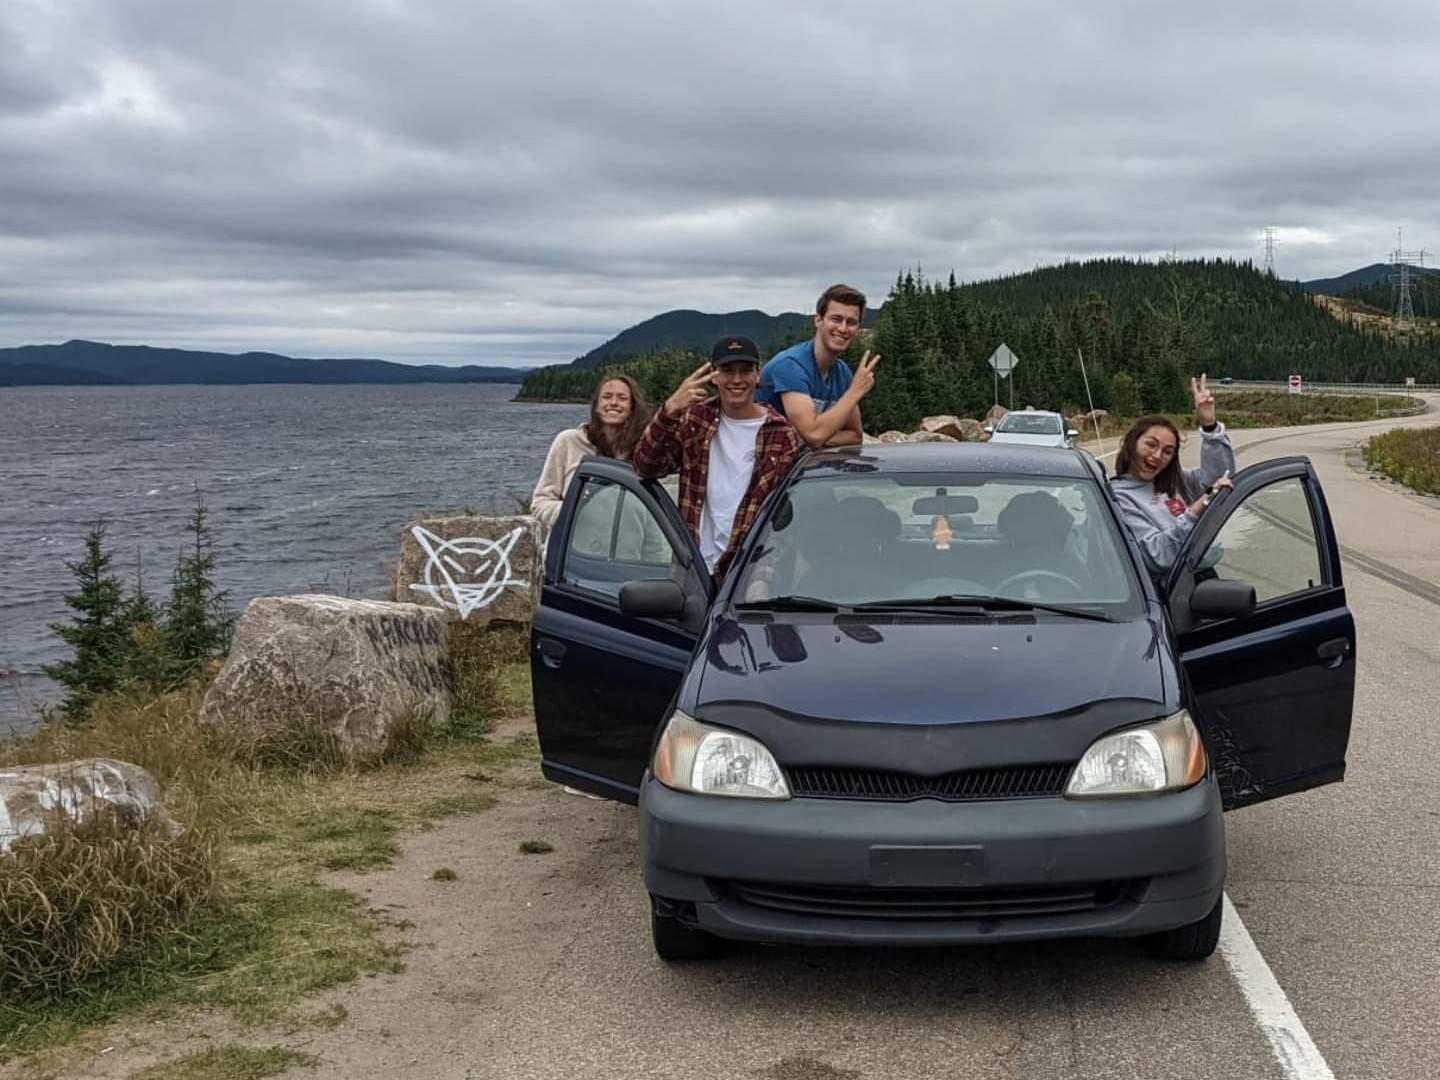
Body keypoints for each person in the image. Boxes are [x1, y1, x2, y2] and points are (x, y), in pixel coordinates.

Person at [632, 335, 804, 578]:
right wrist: (669, 410)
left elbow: (785, 516)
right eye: (727, 370)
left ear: (757, 375)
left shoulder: (782, 434)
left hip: (750, 571)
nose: (736, 379)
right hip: (694, 568)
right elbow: (645, 466)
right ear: (714, 376)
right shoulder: (695, 419)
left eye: (745, 371)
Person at [1111, 374, 1237, 577]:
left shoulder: (1176, 482)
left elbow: (1221, 479)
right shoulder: (1118, 497)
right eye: (1151, 445)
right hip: (1173, 588)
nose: (1157, 456)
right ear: (1132, 442)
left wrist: (1210, 425)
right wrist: (1196, 510)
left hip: (1203, 576)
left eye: (1167, 451)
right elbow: (1156, 556)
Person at [757, 283, 881, 448]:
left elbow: (854, 436)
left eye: (851, 322)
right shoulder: (790, 366)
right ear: (818, 320)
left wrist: (809, 436)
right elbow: (814, 436)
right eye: (836, 319)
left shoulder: (842, 372)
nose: (843, 328)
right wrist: (855, 392)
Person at [530, 374, 651, 530]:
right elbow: (540, 504)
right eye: (607, 397)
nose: (613, 403)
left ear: (633, 407)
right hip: (576, 544)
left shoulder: (642, 453)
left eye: (622, 398)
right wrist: (578, 511)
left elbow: (649, 516)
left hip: (627, 544)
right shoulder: (569, 441)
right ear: (596, 405)